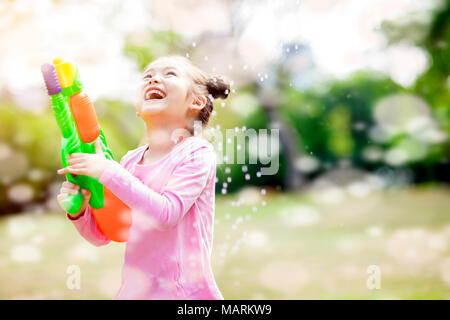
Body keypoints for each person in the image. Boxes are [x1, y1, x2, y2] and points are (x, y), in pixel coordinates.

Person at [56, 55, 230, 300]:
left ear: (197, 101)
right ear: (138, 108)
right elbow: (108, 234)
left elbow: (165, 214)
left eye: (170, 74)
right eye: (147, 75)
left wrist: (108, 171)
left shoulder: (196, 153)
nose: (154, 78)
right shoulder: (130, 161)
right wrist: (80, 212)